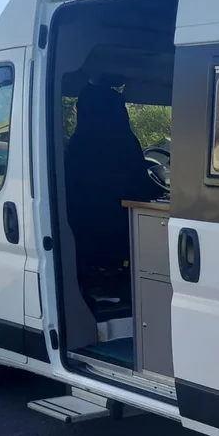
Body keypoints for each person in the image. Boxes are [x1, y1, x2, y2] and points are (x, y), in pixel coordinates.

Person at [64, 82, 158, 307]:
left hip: (87, 239)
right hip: (128, 235)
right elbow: (142, 186)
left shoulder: (78, 146)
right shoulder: (127, 143)